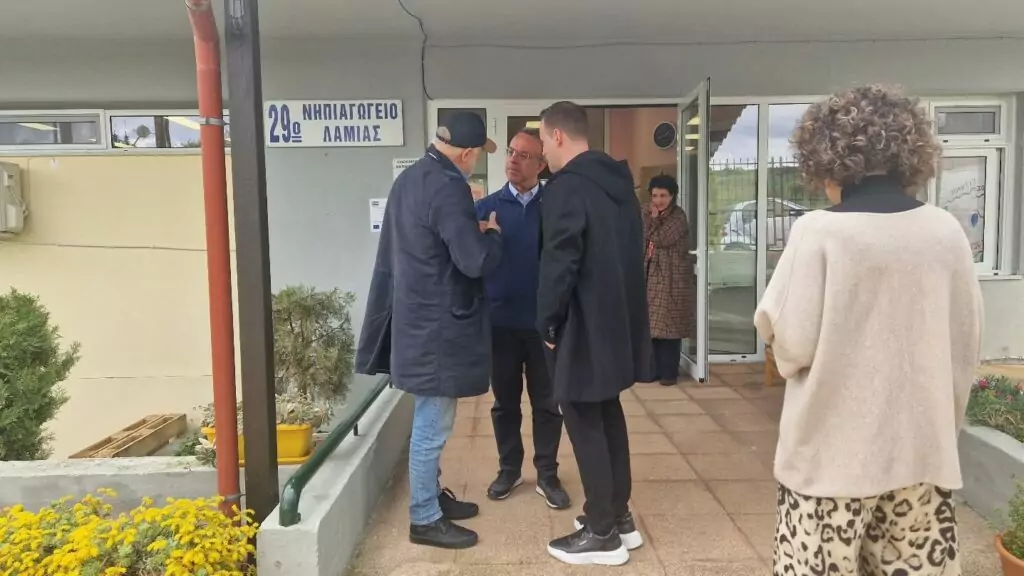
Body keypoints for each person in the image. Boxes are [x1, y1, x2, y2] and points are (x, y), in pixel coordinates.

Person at [754, 85, 983, 576]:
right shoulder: (945, 231)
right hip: (921, 453)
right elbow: (965, 341)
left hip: (830, 459)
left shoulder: (819, 232)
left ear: (827, 159)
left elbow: (790, 345)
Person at [356, 111, 503, 550]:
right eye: (478, 154)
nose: (476, 161)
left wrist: (470, 232)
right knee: (432, 425)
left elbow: (432, 243)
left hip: (416, 320)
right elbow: (474, 261)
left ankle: (431, 497)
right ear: (467, 153)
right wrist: (492, 235)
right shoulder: (449, 186)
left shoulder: (411, 179)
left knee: (430, 418)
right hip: (439, 328)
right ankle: (424, 517)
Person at [536, 101, 653, 566]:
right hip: (614, 322)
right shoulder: (618, 184)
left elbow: (559, 260)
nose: (543, 152)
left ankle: (602, 533)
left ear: (558, 136)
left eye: (542, 142)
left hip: (581, 326)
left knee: (584, 422)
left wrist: (548, 321)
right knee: (607, 416)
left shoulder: (567, 188)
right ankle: (618, 517)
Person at [474, 128, 571, 509]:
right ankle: (509, 469)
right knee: (505, 403)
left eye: (524, 155)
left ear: (541, 164)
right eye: (511, 152)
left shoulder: (556, 207)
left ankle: (547, 474)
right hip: (500, 323)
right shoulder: (487, 209)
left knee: (547, 403)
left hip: (544, 325)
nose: (513, 159)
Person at [641, 174, 695, 387]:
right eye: (655, 195)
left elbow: (661, 238)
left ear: (672, 196)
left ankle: (669, 373)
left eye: (663, 196)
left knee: (669, 328)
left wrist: (652, 219)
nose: (658, 200)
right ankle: (653, 371)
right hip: (650, 274)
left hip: (671, 277)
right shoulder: (647, 213)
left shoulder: (678, 217)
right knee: (652, 327)